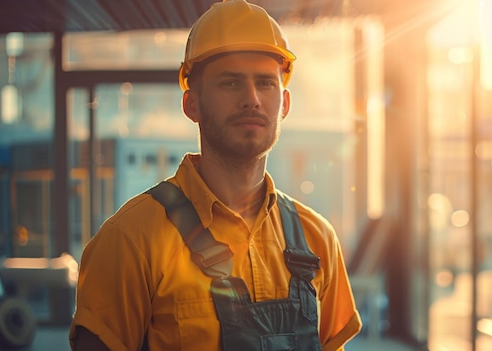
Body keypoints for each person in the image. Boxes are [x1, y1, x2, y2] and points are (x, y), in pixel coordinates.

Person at [68, 0, 362, 350]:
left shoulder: (317, 241)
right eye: (231, 83)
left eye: (265, 83)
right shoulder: (131, 240)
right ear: (192, 104)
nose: (252, 99)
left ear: (283, 104)